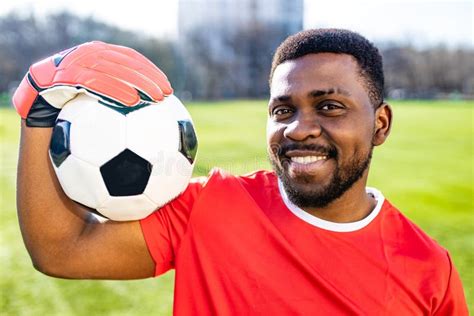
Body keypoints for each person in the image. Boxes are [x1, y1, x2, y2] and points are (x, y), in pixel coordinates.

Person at [13, 29, 468, 315]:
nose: (300, 129)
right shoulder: (210, 206)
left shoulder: (429, 271)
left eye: (330, 107)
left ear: (380, 124)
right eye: (283, 109)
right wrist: (37, 112)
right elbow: (63, 251)